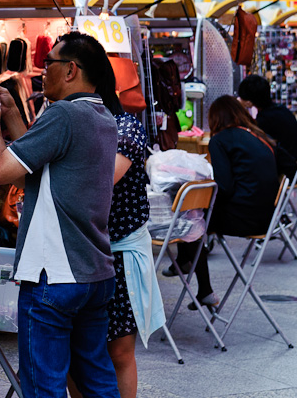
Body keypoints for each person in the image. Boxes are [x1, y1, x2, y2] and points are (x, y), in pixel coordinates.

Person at [0, 32, 120, 398]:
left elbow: (2, 172)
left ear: (70, 70)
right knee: (97, 380)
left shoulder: (65, 114)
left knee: (43, 387)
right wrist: (9, 113)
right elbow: (36, 163)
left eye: (49, 63)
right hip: (93, 273)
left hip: (55, 274)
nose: (42, 72)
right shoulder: (101, 115)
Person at [69, 85, 165, 398]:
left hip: (118, 254)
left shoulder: (127, 129)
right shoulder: (70, 123)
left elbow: (101, 181)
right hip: (80, 250)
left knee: (119, 350)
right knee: (72, 350)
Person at [173, 96, 280, 308]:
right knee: (194, 219)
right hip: (268, 217)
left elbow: (224, 187)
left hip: (246, 219)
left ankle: (201, 284)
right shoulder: (258, 137)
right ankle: (184, 261)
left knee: (190, 221)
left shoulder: (220, 140)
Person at [238, 74, 297, 178]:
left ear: (249, 102)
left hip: (288, 172)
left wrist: (239, 109)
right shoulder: (282, 110)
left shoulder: (265, 120)